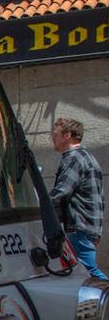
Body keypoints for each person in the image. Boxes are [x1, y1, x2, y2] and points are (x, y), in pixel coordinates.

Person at [50, 117, 105, 280]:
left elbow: (62, 191)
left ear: (67, 135)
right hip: (87, 225)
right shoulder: (85, 156)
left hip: (79, 225)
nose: (53, 138)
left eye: (55, 134)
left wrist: (40, 205)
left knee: (88, 272)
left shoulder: (74, 158)